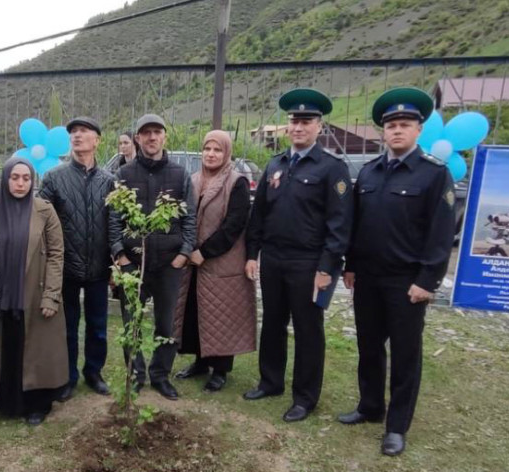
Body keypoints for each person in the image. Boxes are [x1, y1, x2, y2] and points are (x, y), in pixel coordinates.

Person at [339, 87, 455, 456]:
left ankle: (397, 426)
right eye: (391, 126)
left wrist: (427, 281)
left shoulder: (433, 174)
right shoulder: (370, 172)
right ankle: (370, 406)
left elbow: (441, 233)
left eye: (405, 125)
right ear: (383, 132)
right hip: (369, 278)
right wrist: (351, 266)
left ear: (419, 130)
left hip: (407, 282)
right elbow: (359, 226)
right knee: (369, 347)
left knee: (406, 354)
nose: (397, 131)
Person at [243, 88, 353, 423]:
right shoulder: (276, 164)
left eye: (306, 121)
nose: (299, 126)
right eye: (294, 120)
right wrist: (252, 254)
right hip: (274, 259)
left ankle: (305, 398)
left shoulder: (332, 168)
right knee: (273, 323)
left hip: (310, 263)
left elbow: (340, 225)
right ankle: (270, 381)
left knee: (308, 330)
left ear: (319, 126)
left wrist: (327, 268)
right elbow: (258, 214)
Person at [109, 113, 197, 400]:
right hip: (133, 265)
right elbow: (114, 220)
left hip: (169, 265)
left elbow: (189, 219)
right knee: (131, 322)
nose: (151, 137)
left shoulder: (180, 174)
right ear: (137, 138)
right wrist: (121, 256)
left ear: (164, 137)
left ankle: (161, 375)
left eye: (157, 132)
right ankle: (135, 375)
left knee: (167, 324)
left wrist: (183, 254)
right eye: (145, 132)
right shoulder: (123, 175)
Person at [172, 130, 255, 393]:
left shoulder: (236, 182)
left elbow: (234, 225)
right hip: (192, 263)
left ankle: (220, 370)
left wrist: (205, 252)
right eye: (207, 148)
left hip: (221, 262)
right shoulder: (193, 180)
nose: (211, 154)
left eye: (217, 150)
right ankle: (200, 362)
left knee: (222, 316)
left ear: (227, 153)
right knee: (195, 314)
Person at [0, 157, 68, 426]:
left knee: (37, 350)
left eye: (26, 178)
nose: (20, 183)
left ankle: (38, 404)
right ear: (5, 179)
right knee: (8, 346)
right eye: (15, 177)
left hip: (35, 293)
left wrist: (51, 295)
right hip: (4, 296)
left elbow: (57, 254)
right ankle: (8, 401)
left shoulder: (45, 211)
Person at [39, 117, 114, 401]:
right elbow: (41, 219)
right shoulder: (54, 178)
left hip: (98, 266)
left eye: (84, 132)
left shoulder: (109, 181)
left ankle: (94, 373)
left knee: (98, 325)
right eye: (73, 132)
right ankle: (67, 376)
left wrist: (114, 262)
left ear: (97, 140)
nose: (77, 136)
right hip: (65, 268)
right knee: (66, 326)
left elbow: (114, 223)